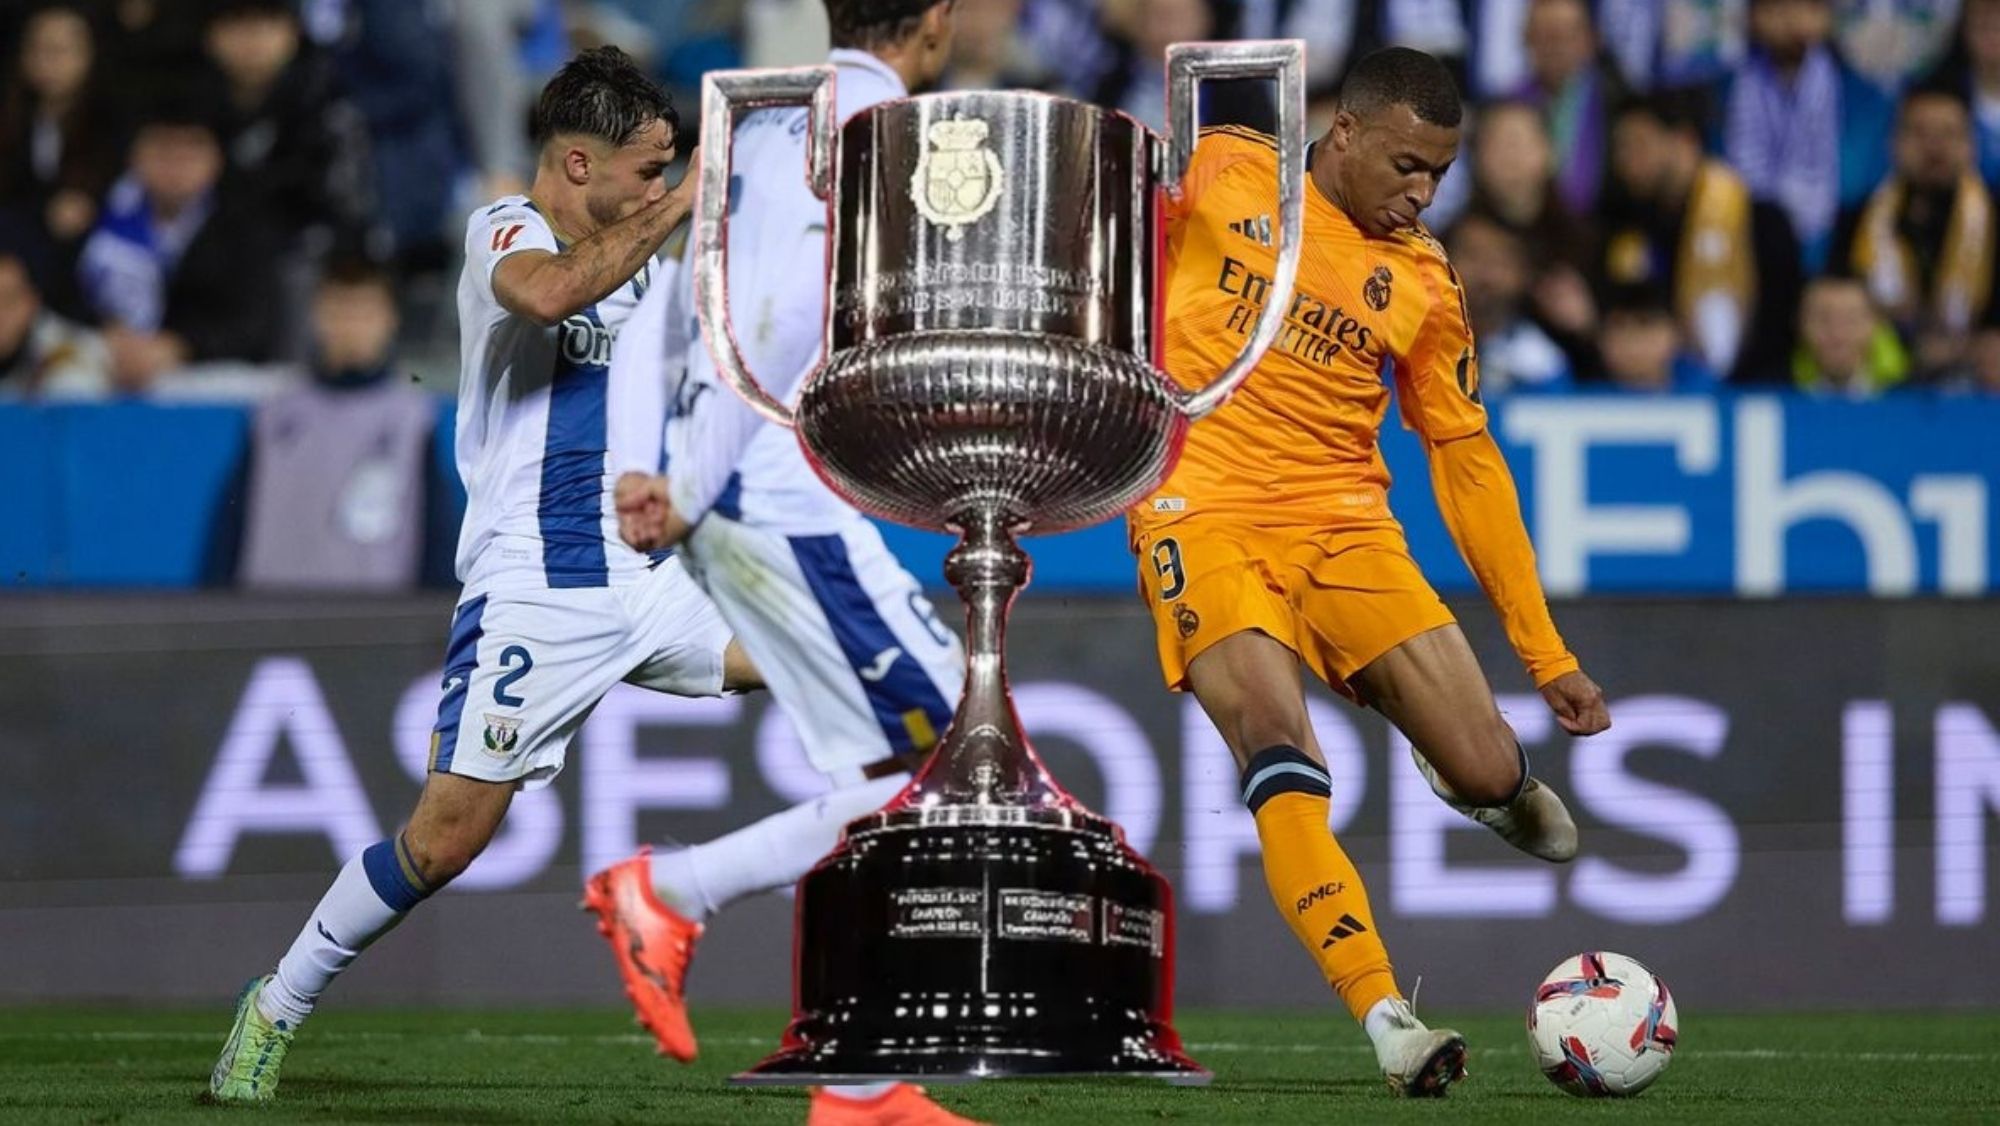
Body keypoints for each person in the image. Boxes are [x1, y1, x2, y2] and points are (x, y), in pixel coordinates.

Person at [206, 46, 754, 1104]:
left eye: (670, 172)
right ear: (580, 164)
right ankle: (277, 1002)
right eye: (649, 170)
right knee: (445, 841)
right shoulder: (506, 230)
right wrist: (688, 201)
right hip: (536, 587)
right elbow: (546, 297)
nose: (663, 187)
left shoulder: (655, 271)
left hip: (651, 579)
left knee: (840, 667)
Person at [1126, 47, 1611, 1096]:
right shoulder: (1224, 171)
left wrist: (1545, 654)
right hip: (1198, 505)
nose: (1422, 193)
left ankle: (1476, 777)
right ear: (1342, 132)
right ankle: (1388, 1019)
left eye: (1439, 173)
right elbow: (1112, 238)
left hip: (1343, 523)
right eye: (1406, 165)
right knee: (1275, 740)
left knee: (1487, 767)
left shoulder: (1424, 280)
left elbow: (1466, 461)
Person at [607, 1, 980, 1120]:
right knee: (959, 766)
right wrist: (694, 483)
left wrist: (645, 460)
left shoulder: (768, 120)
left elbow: (665, 303)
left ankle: (858, 1084)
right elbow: (772, 322)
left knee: (896, 782)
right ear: (939, 17)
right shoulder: (874, 130)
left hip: (743, 486)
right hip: (769, 497)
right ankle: (669, 892)